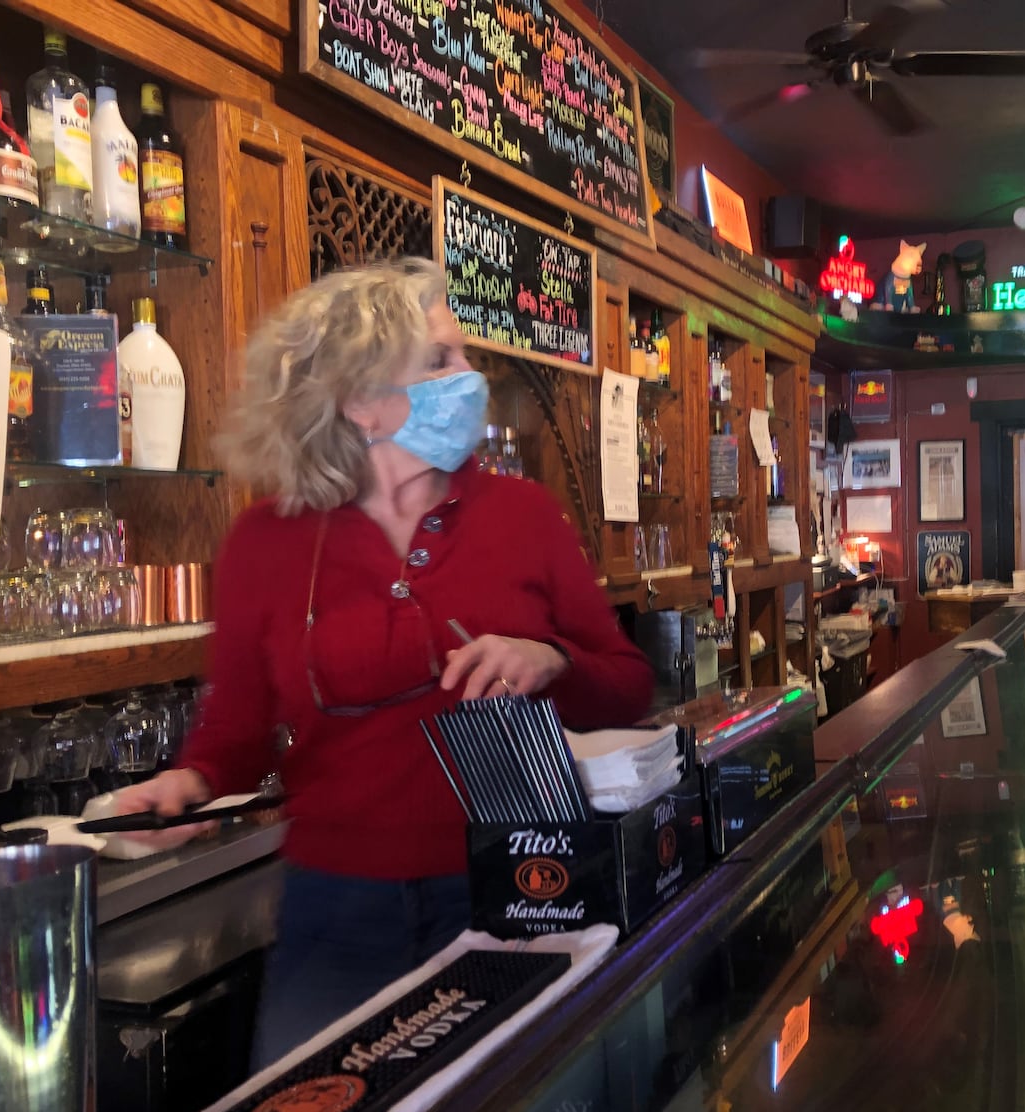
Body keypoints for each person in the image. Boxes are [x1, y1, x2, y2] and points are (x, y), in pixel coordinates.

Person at [119, 258, 654, 1066]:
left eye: (463, 355)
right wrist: (187, 785)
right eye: (441, 361)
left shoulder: (524, 515)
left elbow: (627, 687)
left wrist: (551, 661)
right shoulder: (268, 540)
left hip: (516, 889)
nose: (469, 376)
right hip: (335, 909)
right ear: (360, 401)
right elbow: (235, 731)